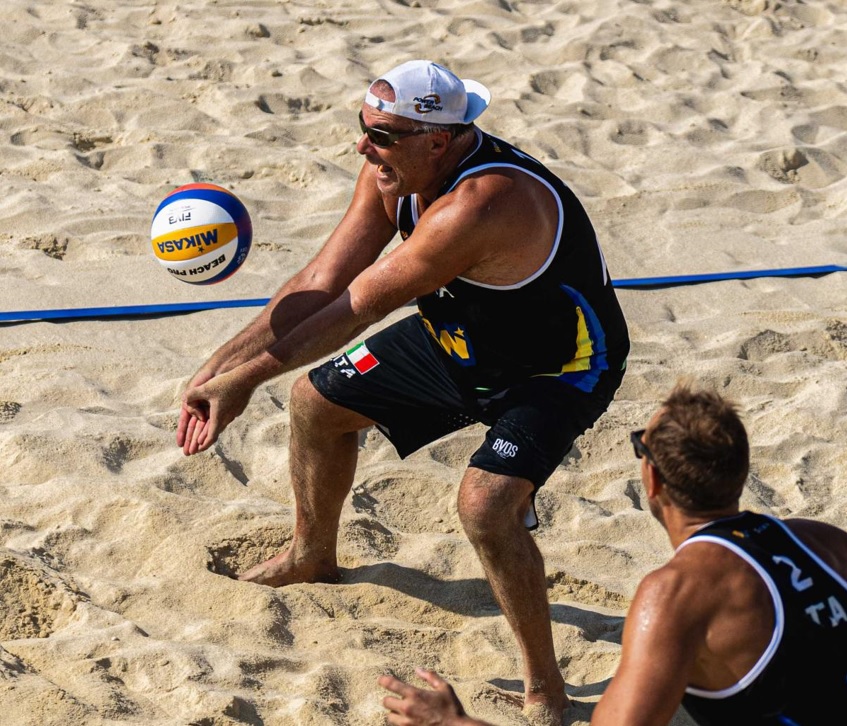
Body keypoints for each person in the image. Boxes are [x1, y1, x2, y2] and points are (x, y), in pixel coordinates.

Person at [176, 59, 630, 721]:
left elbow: (357, 307)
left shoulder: (481, 203)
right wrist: (219, 366)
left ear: (437, 141)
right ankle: (311, 556)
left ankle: (546, 691)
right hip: (461, 341)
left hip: (558, 367)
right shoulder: (392, 170)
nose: (363, 145)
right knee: (314, 404)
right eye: (363, 127)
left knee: (484, 507)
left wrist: (244, 383)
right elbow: (325, 276)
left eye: (381, 135)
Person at [379, 383, 847, 725]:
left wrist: (454, 723)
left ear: (653, 481)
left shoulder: (675, 594)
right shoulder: (820, 540)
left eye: (640, 444)